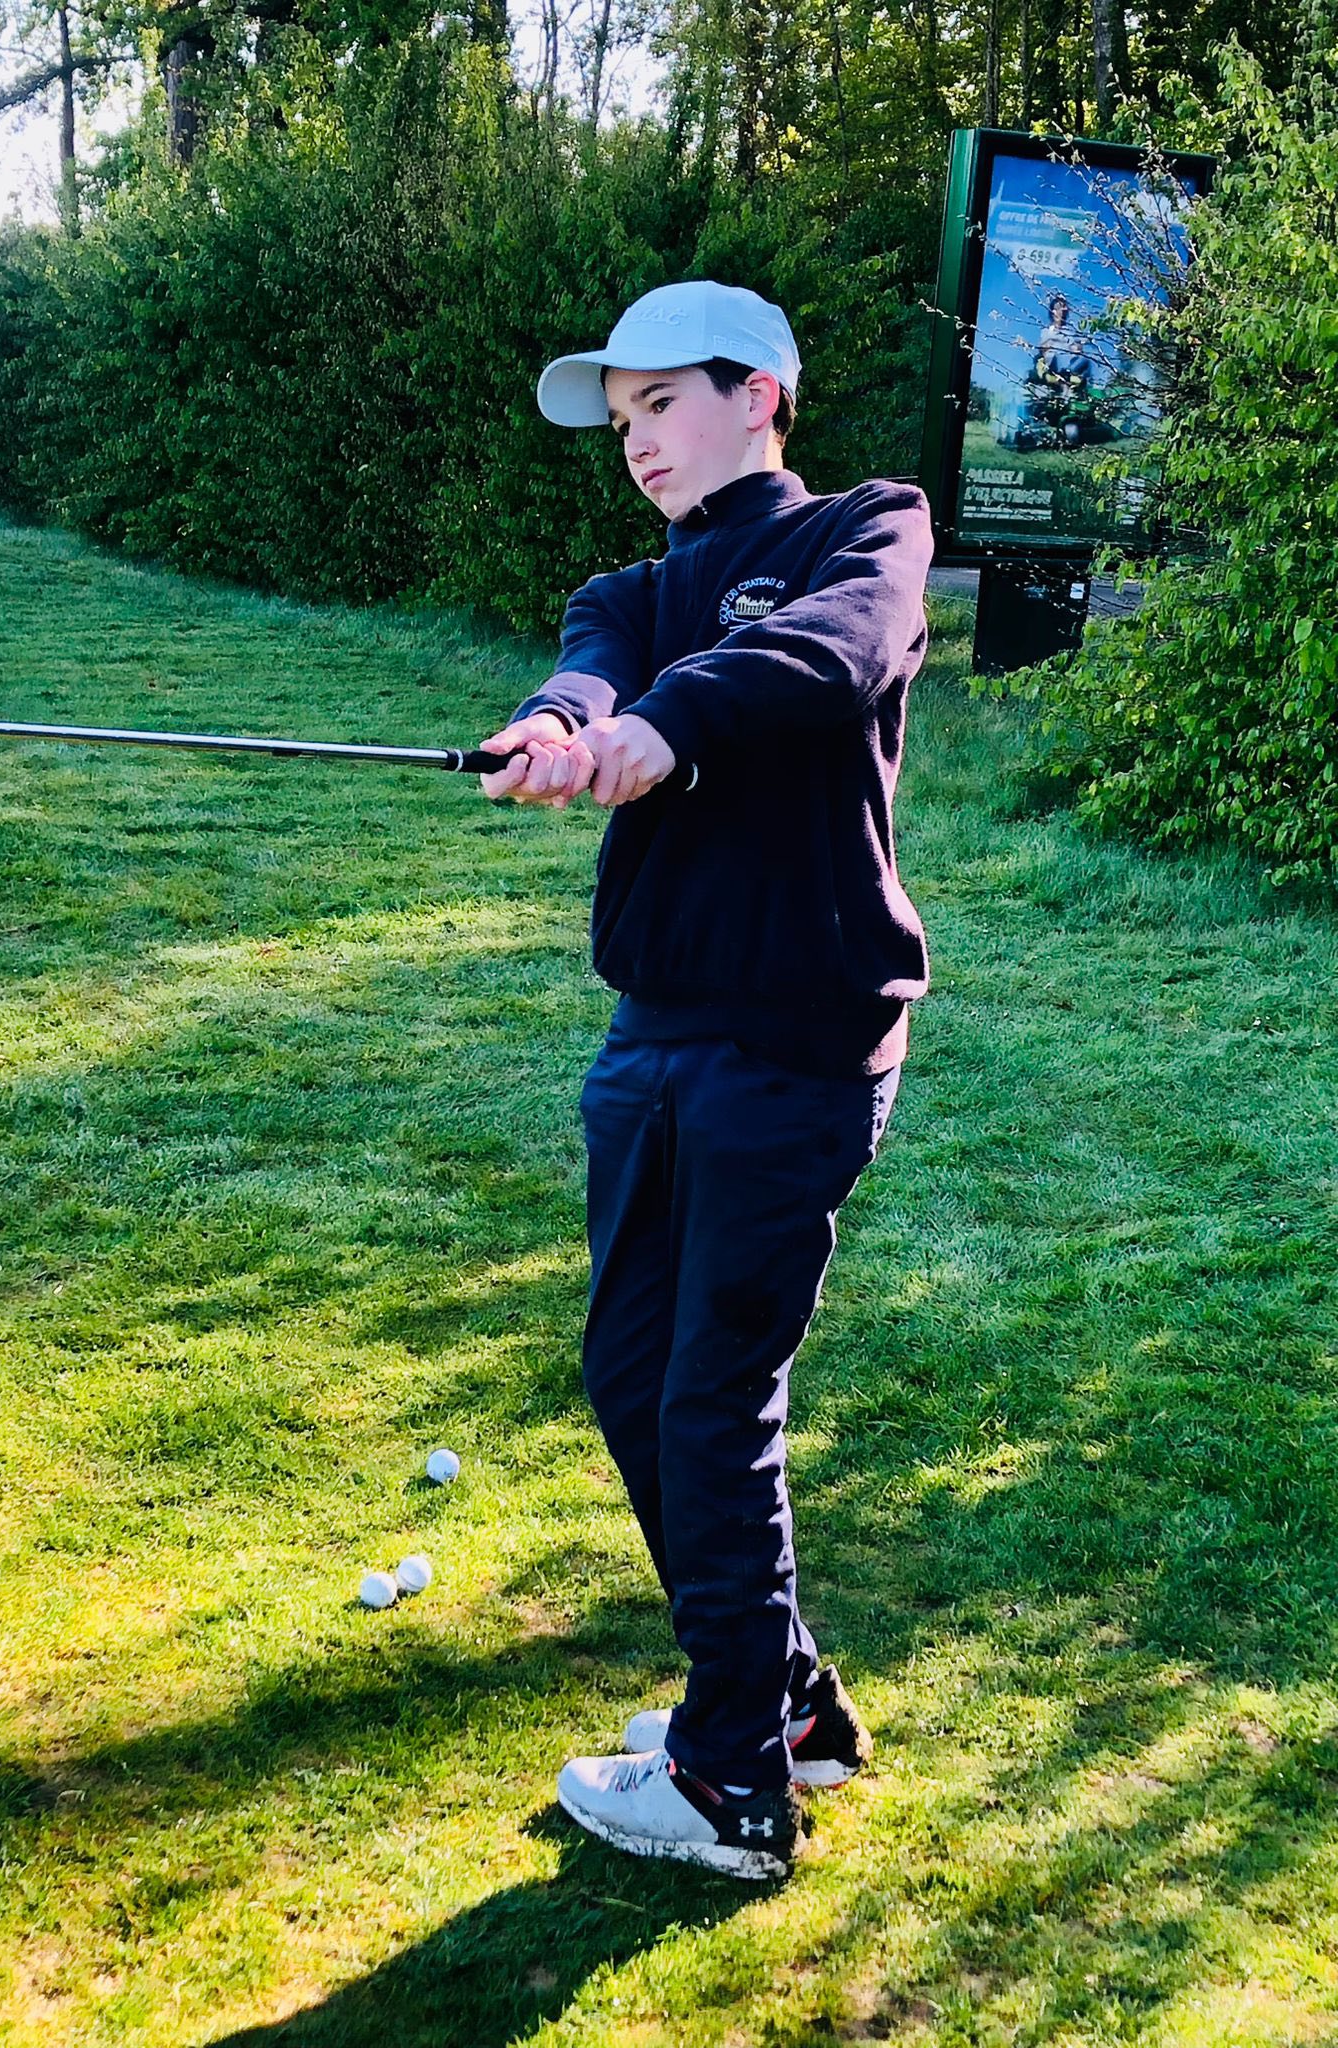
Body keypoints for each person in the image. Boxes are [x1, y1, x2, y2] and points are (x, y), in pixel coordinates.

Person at [477, 280, 932, 1882]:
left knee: (711, 1397)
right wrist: (559, 726)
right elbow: (590, 668)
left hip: (797, 1037)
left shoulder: (866, 532)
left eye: (661, 403)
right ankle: (784, 1702)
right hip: (652, 1031)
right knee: (630, 1380)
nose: (638, 442)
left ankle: (734, 1782)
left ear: (763, 395)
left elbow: (826, 657)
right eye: (622, 420)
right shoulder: (628, 591)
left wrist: (665, 731)